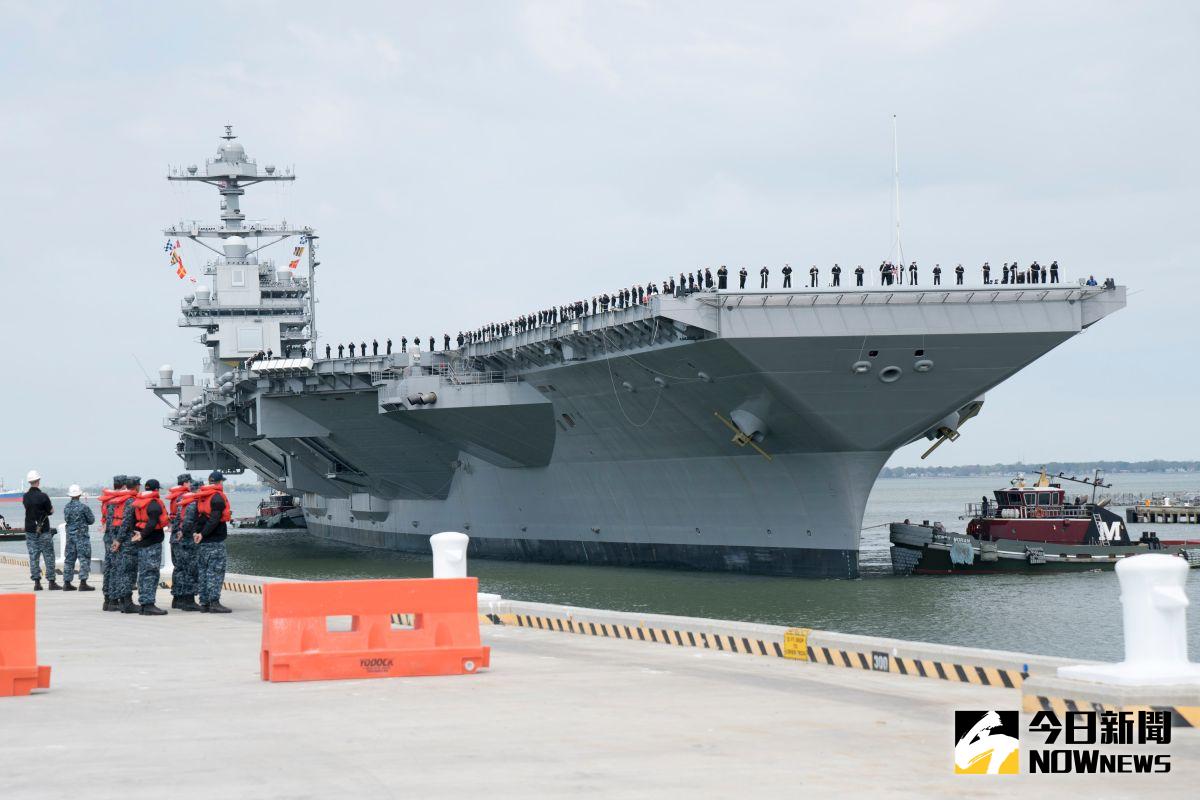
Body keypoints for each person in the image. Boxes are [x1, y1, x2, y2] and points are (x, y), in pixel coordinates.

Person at [194, 471, 232, 613]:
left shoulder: (202, 497)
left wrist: (197, 534)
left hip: (202, 543)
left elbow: (198, 518)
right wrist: (203, 534)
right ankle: (214, 603)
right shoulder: (217, 498)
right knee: (215, 572)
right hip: (215, 541)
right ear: (219, 482)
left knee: (203, 572)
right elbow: (214, 520)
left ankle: (204, 603)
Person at [130, 478, 169, 615]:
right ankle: (148, 604)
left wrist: (136, 533)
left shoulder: (138, 503)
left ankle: (144, 603)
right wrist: (143, 535)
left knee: (144, 574)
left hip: (142, 544)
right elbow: (152, 523)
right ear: (156, 490)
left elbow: (131, 521)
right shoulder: (154, 504)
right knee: (151, 574)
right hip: (151, 543)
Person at [168, 474, 201, 611]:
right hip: (186, 540)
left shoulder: (180, 499)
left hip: (176, 539)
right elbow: (187, 522)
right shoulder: (191, 501)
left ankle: (177, 599)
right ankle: (188, 601)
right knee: (190, 569)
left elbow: (176, 520)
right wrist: (184, 531)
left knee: (179, 569)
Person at [98, 474, 129, 610]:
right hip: (114, 537)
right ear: (123, 486)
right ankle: (114, 599)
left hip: (108, 537)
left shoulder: (108, 500)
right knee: (116, 568)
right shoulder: (117, 501)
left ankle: (108, 599)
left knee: (109, 567)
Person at [113, 476, 144, 613]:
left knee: (122, 571)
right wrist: (119, 540)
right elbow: (126, 522)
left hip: (122, 540)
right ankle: (127, 603)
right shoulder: (132, 501)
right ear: (136, 486)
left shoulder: (122, 500)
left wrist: (116, 539)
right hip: (128, 542)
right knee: (128, 572)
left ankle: (123, 601)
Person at [22, 469, 56, 591]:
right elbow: (50, 511)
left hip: (30, 530)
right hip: (44, 531)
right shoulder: (43, 496)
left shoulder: (25, 497)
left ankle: (37, 582)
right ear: (38, 481)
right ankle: (51, 582)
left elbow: (28, 509)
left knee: (33, 556)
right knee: (49, 555)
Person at [61, 484, 95, 591]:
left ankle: (67, 582)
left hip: (70, 537)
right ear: (79, 494)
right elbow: (91, 520)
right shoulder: (84, 507)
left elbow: (67, 519)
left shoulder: (66, 507)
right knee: (84, 558)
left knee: (69, 559)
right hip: (82, 536)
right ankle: (83, 582)